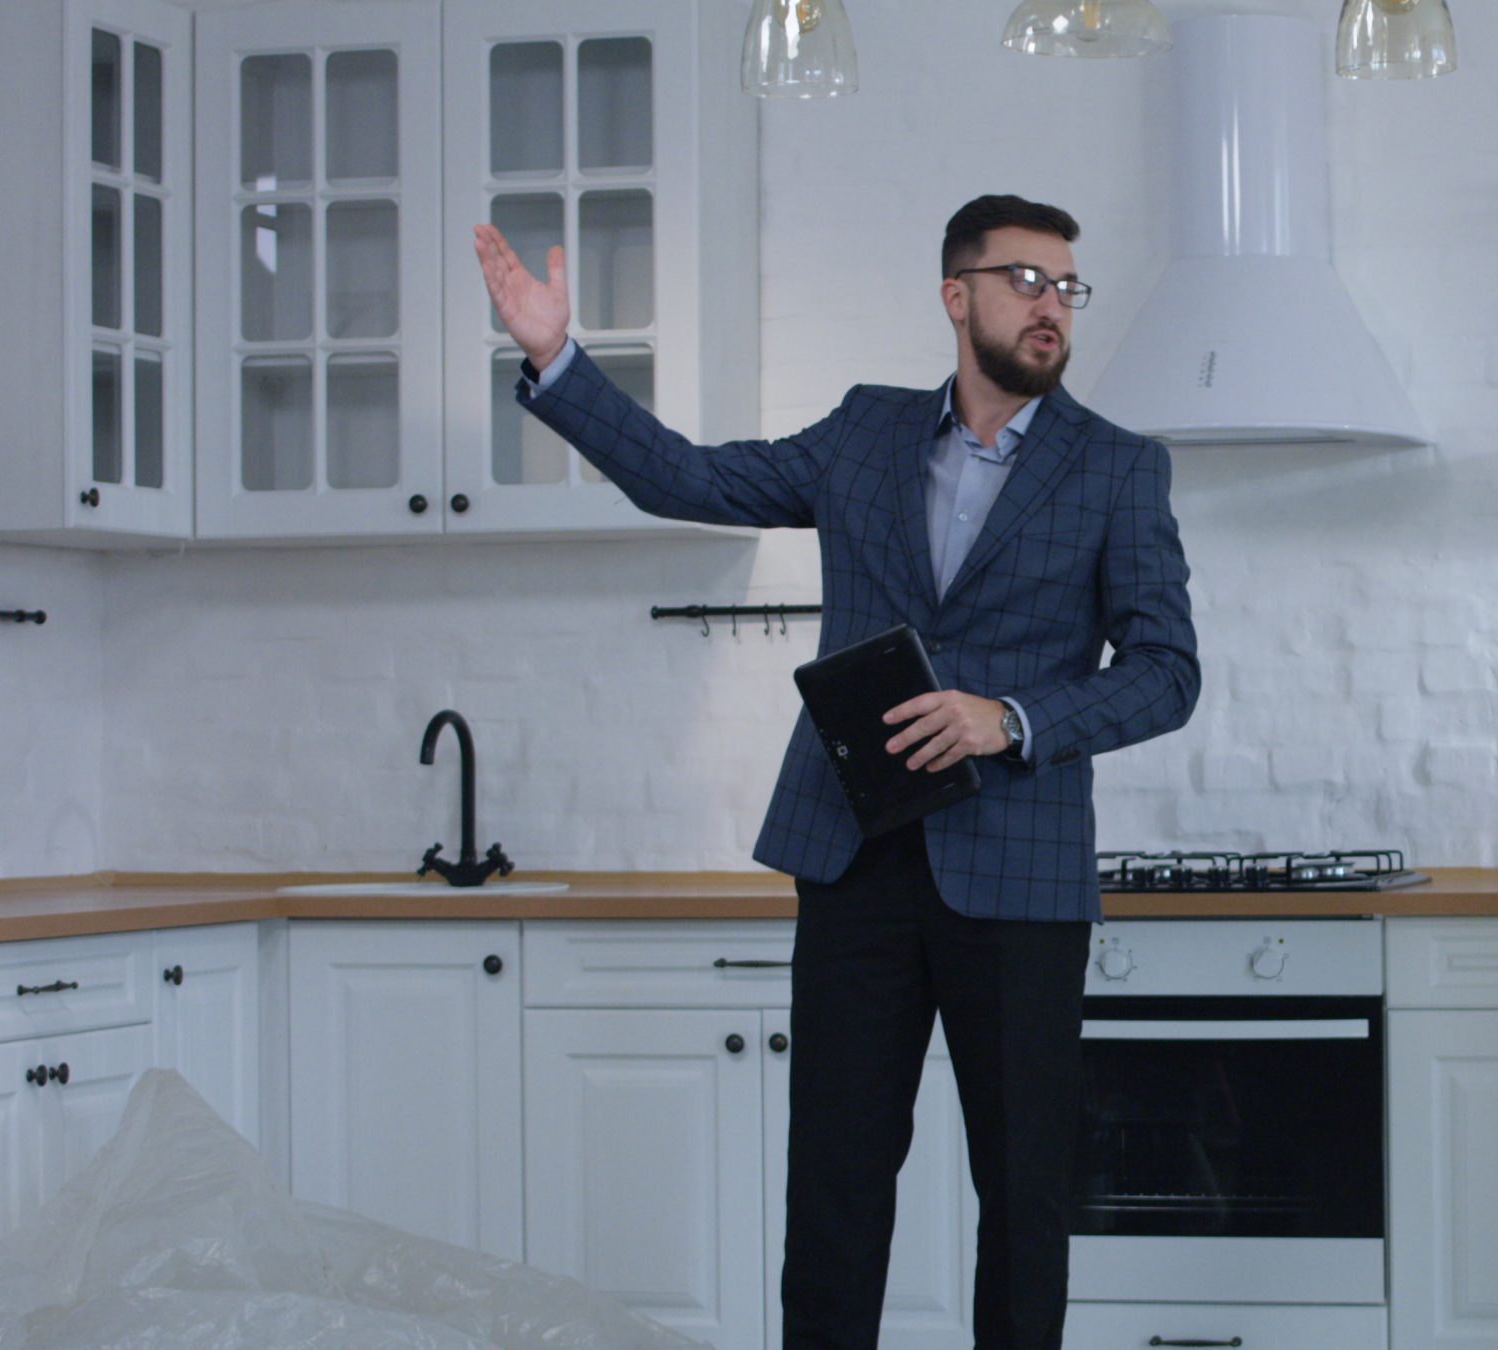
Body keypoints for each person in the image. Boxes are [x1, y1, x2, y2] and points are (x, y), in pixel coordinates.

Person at [472, 194, 1200, 1349]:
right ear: (956, 295)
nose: (1051, 304)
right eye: (1024, 280)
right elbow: (691, 481)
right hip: (854, 856)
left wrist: (1006, 718)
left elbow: (1167, 673)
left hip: (1018, 883)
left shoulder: (1117, 470)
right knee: (836, 1187)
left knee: (1025, 1196)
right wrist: (560, 360)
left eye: (1066, 286)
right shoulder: (864, 432)